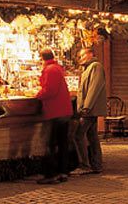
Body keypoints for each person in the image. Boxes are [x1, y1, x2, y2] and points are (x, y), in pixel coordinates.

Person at [36, 48, 73, 184]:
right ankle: (63, 172)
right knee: (62, 143)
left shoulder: (50, 70)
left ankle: (50, 174)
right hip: (63, 111)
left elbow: (49, 91)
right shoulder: (56, 68)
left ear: (42, 58)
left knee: (50, 144)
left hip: (55, 112)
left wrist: (38, 95)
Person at [73, 47, 107, 175]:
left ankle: (84, 165)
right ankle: (96, 165)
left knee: (78, 135)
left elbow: (94, 87)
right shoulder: (87, 68)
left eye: (82, 55)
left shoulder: (95, 66)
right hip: (89, 109)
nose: (80, 59)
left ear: (90, 54)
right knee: (92, 137)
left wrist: (86, 107)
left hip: (89, 110)